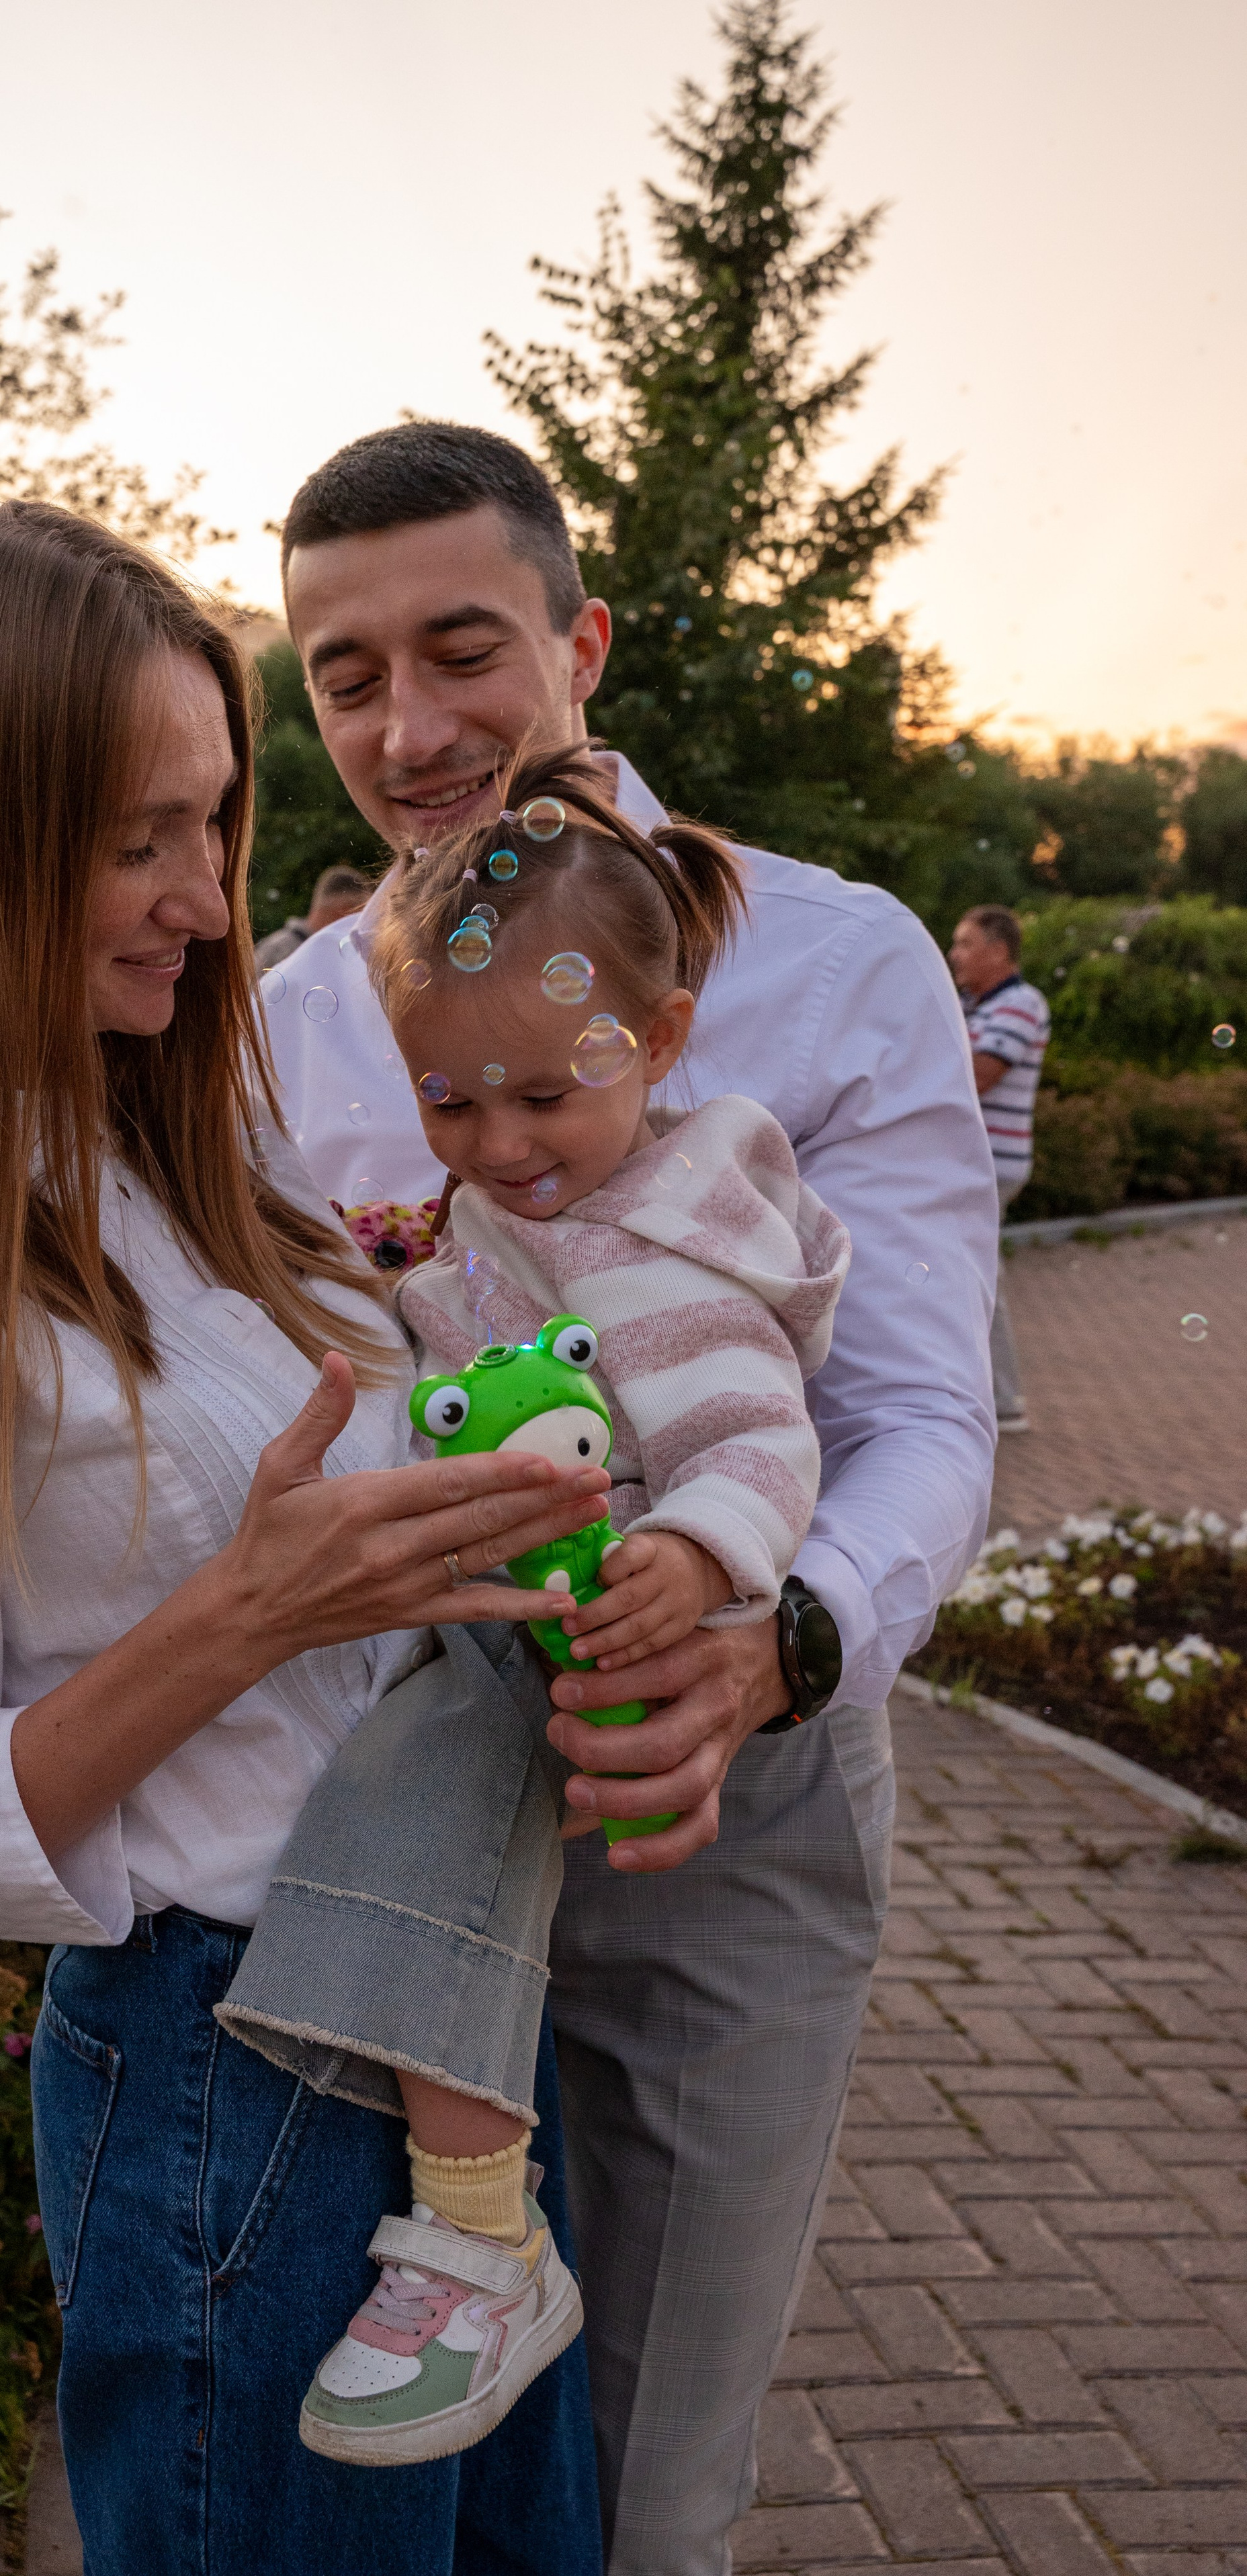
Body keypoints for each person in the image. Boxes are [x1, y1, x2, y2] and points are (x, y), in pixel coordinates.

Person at [0, 500, 612, 2576]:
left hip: (451, 2034)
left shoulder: (178, 1145)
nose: (204, 900)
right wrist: (239, 1616)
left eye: (213, 821)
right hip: (235, 2085)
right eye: (134, 838)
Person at [259, 423, 999, 2575]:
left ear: (580, 642)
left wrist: (767, 1649)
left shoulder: (839, 964)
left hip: (723, 1806)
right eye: (343, 674)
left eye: (462, 648)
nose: (410, 730)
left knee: (638, 2490)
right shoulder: (299, 1015)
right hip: (395, 1787)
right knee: (384, 2456)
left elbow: (925, 1415)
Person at [218, 750, 850, 2471]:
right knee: (430, 1837)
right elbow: (441, 1357)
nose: (497, 1145)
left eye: (538, 1099)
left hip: (601, 1626)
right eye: (448, 1101)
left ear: (651, 1045)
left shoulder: (662, 1244)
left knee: (422, 1813)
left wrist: (705, 1554)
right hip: (519, 1603)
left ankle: (477, 2233)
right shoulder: (516, 1207)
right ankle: (473, 2219)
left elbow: (751, 1433)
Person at [947, 903, 1051, 1435]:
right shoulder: (973, 1005)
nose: (954, 953)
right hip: (973, 1162)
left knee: (976, 1278)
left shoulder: (1020, 1004)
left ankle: (1003, 1400)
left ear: (999, 951)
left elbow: (979, 1075)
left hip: (989, 1165)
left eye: (966, 943)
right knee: (970, 1274)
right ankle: (992, 1396)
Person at [254, 860, 374, 968]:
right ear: (344, 911)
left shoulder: (332, 950)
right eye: (360, 914)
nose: (363, 923)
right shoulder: (279, 951)